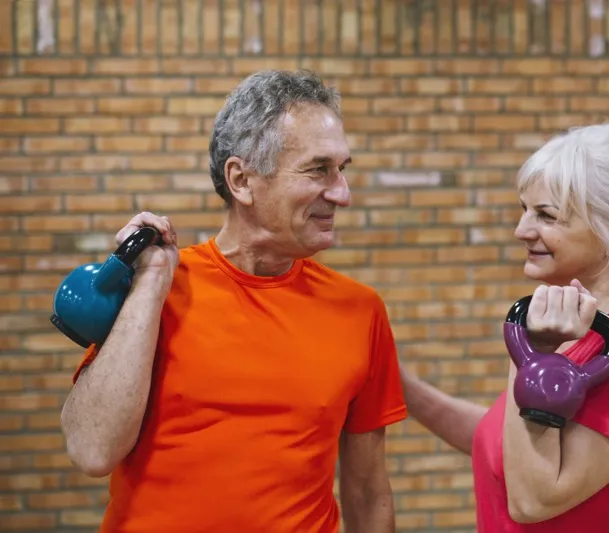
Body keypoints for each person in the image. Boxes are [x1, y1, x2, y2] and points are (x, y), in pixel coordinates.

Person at [59, 69, 407, 533]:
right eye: (318, 169)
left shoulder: (361, 310)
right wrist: (150, 284)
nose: (342, 193)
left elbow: (368, 491)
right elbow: (91, 449)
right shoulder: (157, 289)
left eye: (342, 169)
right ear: (241, 180)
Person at [401, 121, 609, 532]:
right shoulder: (568, 328)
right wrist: (402, 387)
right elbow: (507, 443)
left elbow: (534, 499)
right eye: (524, 209)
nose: (522, 230)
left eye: (546, 215)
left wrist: (531, 355)